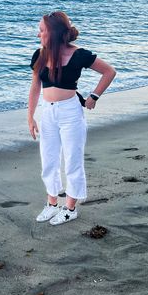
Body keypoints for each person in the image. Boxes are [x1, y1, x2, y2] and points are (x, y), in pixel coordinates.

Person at [28, 11, 116, 225]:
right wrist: (30, 116)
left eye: (42, 30)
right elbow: (35, 87)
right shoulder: (40, 55)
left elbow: (109, 72)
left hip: (70, 112)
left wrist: (94, 97)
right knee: (48, 160)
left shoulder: (79, 54)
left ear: (54, 33)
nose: (38, 34)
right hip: (47, 112)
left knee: (72, 160)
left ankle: (70, 208)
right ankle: (52, 203)